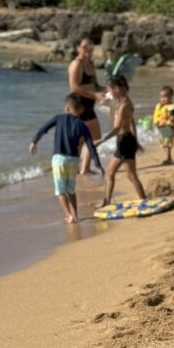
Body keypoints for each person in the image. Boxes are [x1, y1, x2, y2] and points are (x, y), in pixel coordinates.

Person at [30, 94, 103, 224]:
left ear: (67, 108)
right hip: (74, 160)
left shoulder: (58, 118)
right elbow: (90, 145)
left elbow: (44, 128)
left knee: (60, 191)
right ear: (80, 110)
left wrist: (34, 141)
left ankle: (68, 215)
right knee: (71, 190)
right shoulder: (82, 125)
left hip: (59, 160)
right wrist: (97, 163)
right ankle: (75, 215)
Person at [97, 75, 147, 207]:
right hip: (128, 139)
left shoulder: (123, 106)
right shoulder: (125, 102)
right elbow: (132, 121)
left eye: (109, 89)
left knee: (111, 173)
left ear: (117, 89)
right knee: (130, 175)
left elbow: (117, 128)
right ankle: (144, 200)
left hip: (124, 141)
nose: (108, 92)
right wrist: (136, 140)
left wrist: (101, 141)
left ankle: (107, 202)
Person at [68, 36, 104, 175]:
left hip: (90, 106)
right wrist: (95, 95)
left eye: (91, 47)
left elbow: (94, 85)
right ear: (78, 48)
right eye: (85, 47)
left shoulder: (91, 63)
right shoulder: (77, 64)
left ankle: (85, 168)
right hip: (78, 106)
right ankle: (74, 169)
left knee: (95, 137)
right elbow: (74, 87)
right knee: (79, 141)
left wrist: (104, 89)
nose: (89, 49)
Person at [153, 85, 174, 165]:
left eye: (165, 97)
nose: (163, 99)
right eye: (161, 97)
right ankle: (168, 157)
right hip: (161, 128)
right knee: (163, 144)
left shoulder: (172, 107)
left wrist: (167, 122)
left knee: (168, 143)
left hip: (168, 127)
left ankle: (169, 158)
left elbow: (172, 116)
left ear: (171, 97)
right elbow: (157, 115)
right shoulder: (160, 106)